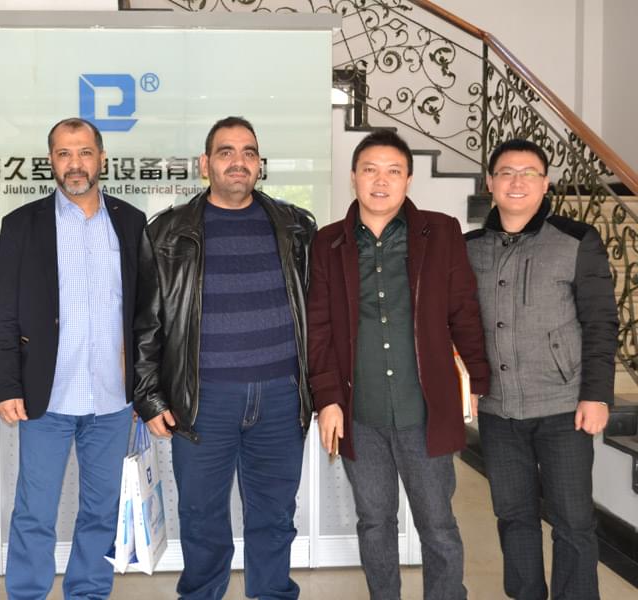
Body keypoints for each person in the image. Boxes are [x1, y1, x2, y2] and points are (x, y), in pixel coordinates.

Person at [133, 116, 316, 599]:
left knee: (275, 514)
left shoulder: (296, 227)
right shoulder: (168, 232)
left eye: (249, 152)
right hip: (203, 400)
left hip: (280, 398)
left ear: (260, 164)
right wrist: (150, 397)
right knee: (201, 517)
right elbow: (147, 322)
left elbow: (316, 313)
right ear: (205, 164)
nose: (239, 162)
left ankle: (272, 593)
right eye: (226, 152)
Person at [307, 130, 490, 600]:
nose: (381, 181)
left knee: (438, 524)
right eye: (370, 170)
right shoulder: (328, 243)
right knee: (374, 522)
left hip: (424, 410)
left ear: (408, 179)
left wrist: (475, 378)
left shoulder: (441, 232)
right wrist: (327, 399)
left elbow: (463, 311)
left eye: (393, 171)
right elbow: (319, 329)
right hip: (359, 413)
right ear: (354, 177)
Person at [0, 117, 145, 599]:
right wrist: (6, 385)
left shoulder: (131, 221)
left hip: (112, 398)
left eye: (84, 152)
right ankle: (27, 593)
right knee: (35, 511)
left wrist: (144, 387)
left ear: (101, 158)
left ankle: (88, 592)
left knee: (101, 510)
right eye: (63, 154)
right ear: (51, 161)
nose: (74, 164)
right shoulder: (22, 224)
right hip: (46, 396)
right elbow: (3, 312)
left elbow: (144, 313)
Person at [465, 138, 617, 600]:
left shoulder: (576, 240)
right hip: (498, 410)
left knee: (573, 520)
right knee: (514, 517)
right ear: (490, 183)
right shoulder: (469, 248)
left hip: (563, 407)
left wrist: (597, 394)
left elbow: (601, 322)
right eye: (506, 172)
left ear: (545, 183)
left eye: (528, 173)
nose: (517, 181)